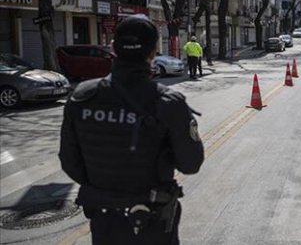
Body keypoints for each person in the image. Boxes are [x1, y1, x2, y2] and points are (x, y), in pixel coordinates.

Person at [59, 14, 204, 245]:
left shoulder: (83, 98)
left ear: (114, 48)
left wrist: (105, 186)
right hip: (153, 221)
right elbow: (191, 163)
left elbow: (69, 161)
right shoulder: (168, 103)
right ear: (153, 52)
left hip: (104, 219)